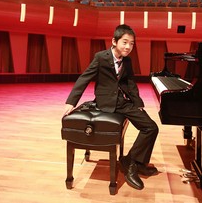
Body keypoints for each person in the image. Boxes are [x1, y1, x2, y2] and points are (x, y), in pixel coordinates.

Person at [64, 24, 159, 190]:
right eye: (125, 42)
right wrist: (72, 101)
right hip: (107, 103)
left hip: (123, 102)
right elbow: (84, 78)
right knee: (150, 128)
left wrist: (138, 103)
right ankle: (131, 165)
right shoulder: (101, 57)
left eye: (131, 44)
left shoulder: (127, 60)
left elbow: (130, 83)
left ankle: (133, 161)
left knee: (151, 128)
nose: (128, 47)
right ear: (114, 41)